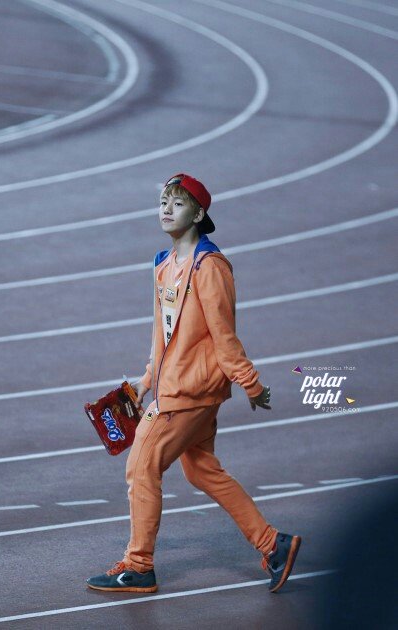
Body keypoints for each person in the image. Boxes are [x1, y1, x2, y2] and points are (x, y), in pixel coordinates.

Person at [87, 173, 301, 594]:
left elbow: (224, 333)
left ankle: (139, 565)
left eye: (178, 203)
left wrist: (250, 383)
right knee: (203, 471)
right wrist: (147, 379)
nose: (167, 209)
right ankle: (273, 545)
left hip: (189, 392)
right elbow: (162, 333)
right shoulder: (162, 264)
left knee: (141, 467)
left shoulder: (210, 267)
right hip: (177, 386)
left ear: (199, 214)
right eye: (163, 202)